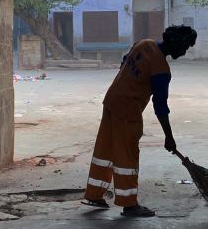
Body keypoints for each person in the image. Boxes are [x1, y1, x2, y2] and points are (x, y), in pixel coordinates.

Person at [81, 25, 197, 217]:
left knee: (105, 150)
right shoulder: (161, 69)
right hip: (127, 110)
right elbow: (160, 106)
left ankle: (94, 195)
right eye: (185, 48)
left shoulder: (144, 44)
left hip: (111, 100)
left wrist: (129, 84)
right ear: (177, 43)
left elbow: (125, 62)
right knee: (127, 156)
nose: (184, 53)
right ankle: (129, 204)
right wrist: (169, 137)